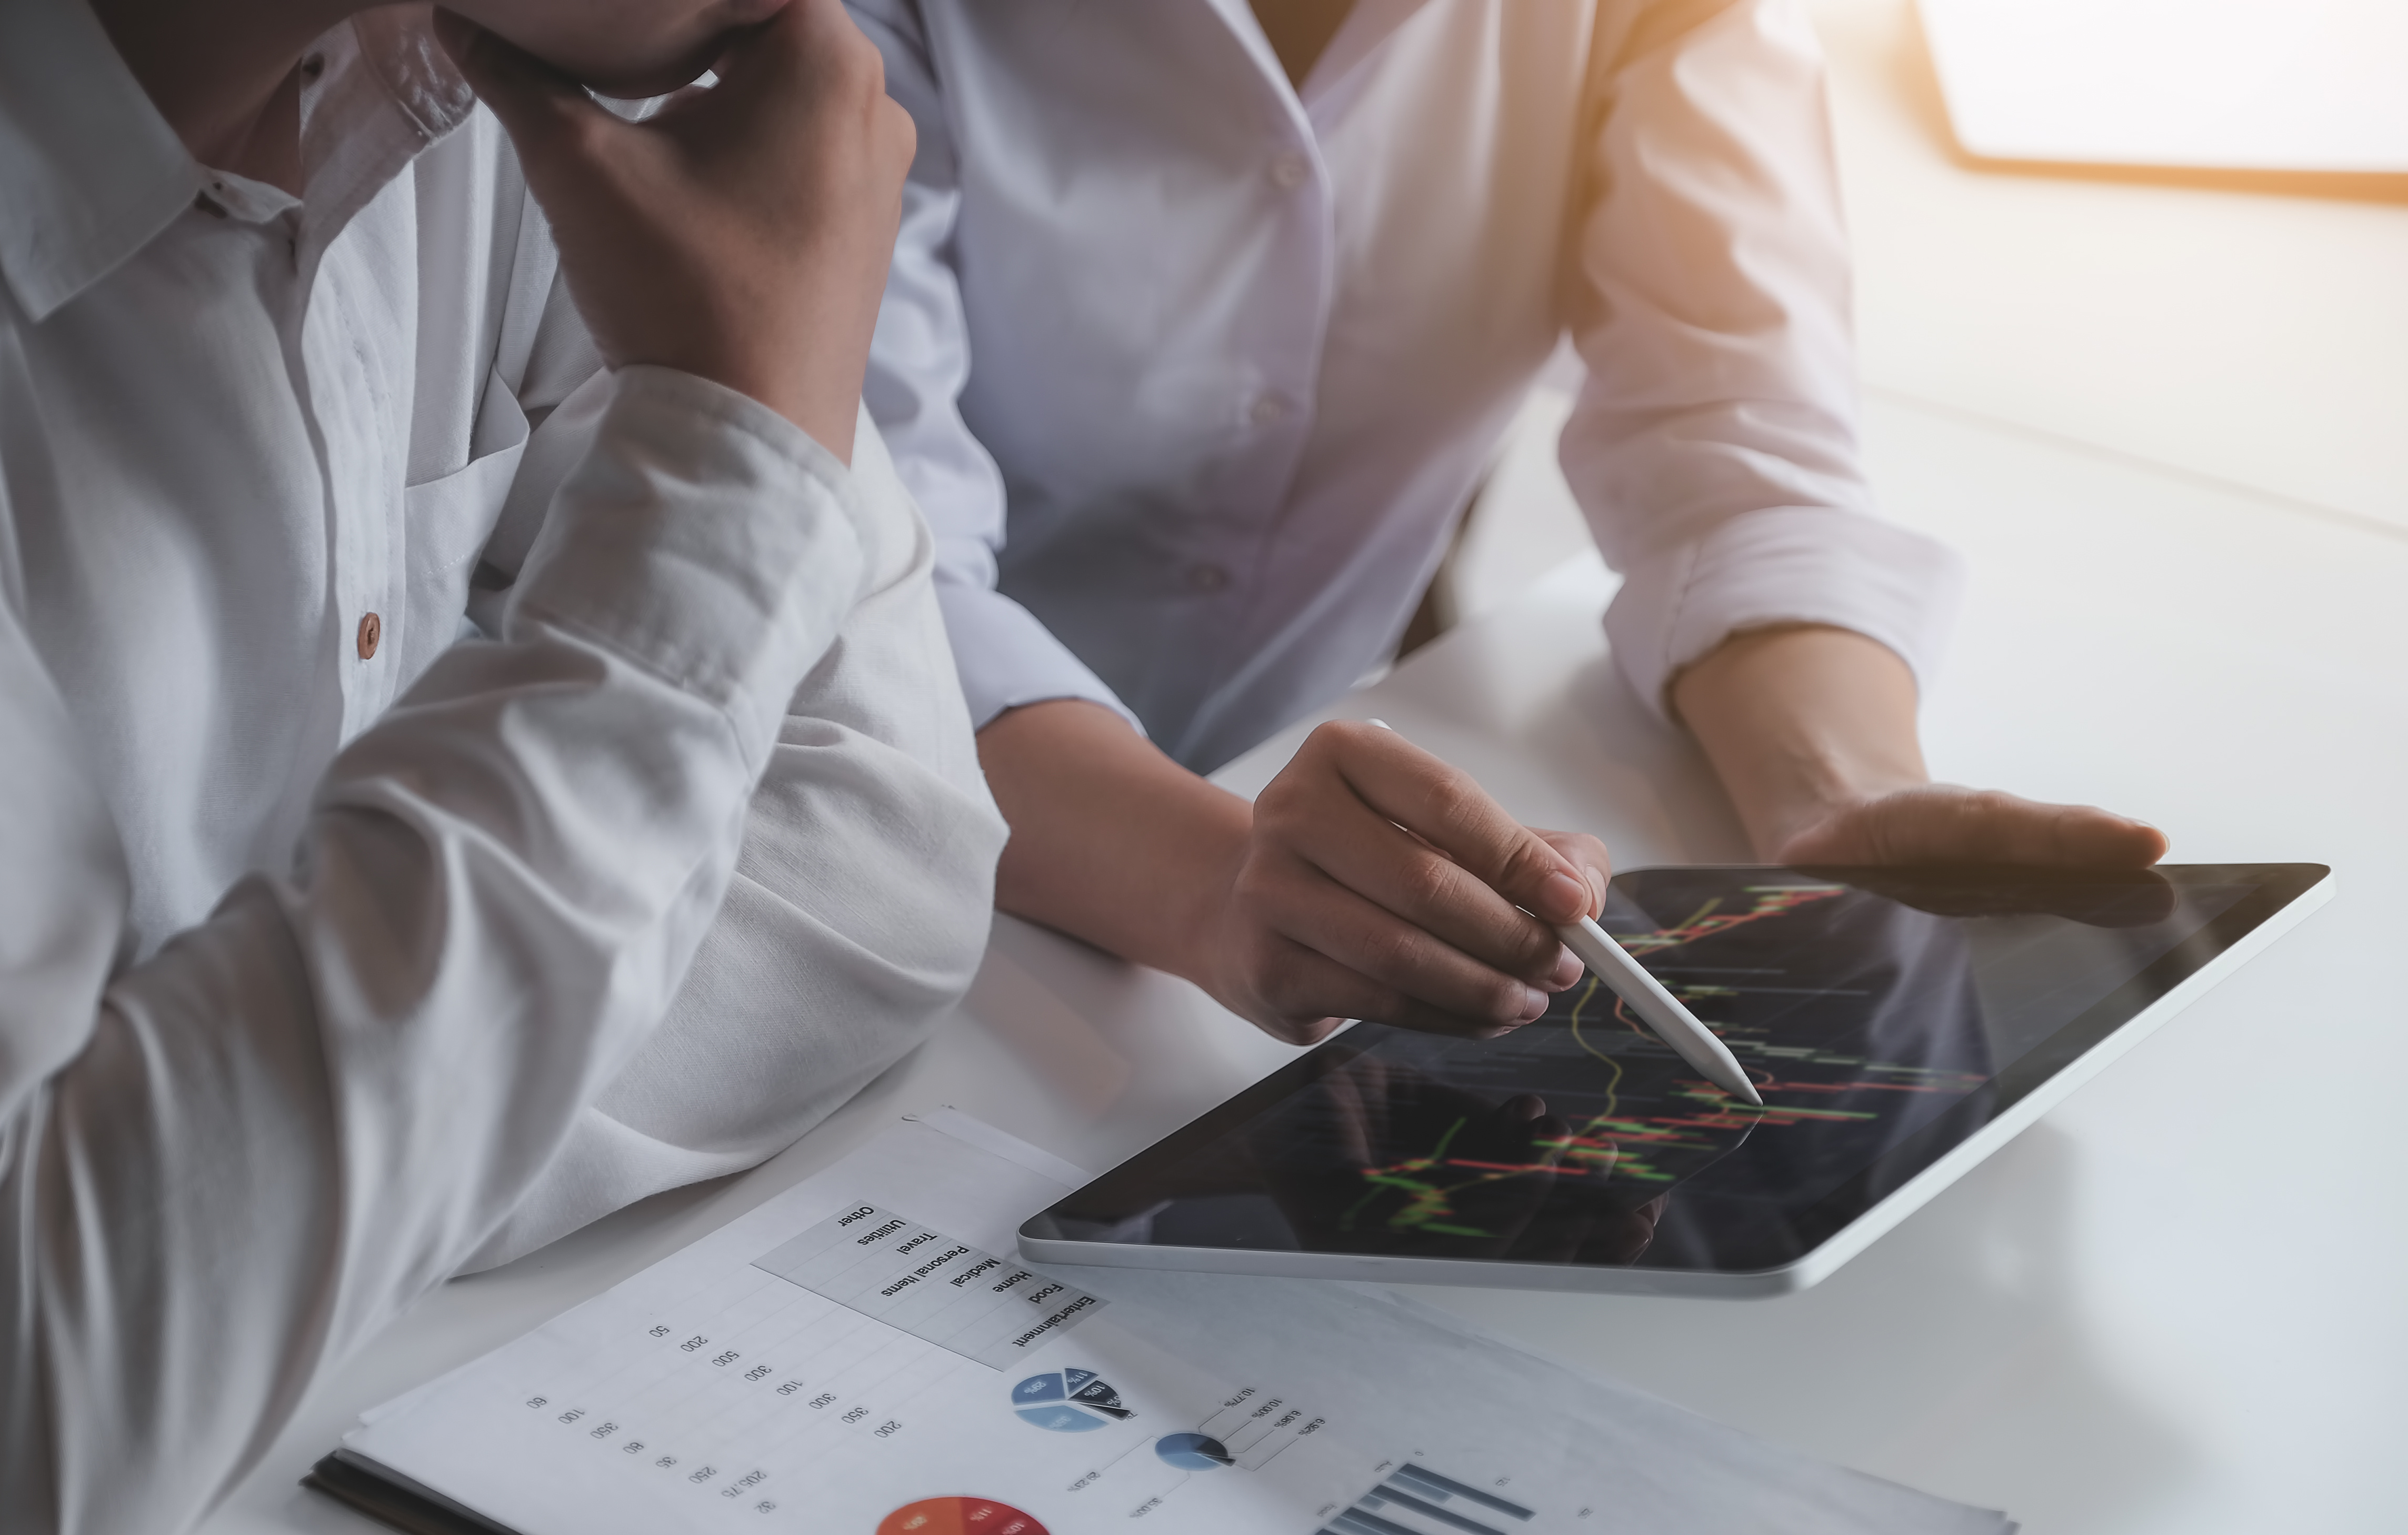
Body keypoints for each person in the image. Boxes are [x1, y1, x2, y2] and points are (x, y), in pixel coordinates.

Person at [0, 0, 1003, 1535]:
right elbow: (27, 1417)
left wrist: (242, 1218)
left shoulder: (494, 74)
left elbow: (894, 846)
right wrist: (733, 474)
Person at [843, 0, 2171, 1046]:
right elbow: (863, 579)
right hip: (826, 855)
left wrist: (1845, 788)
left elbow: (1730, 423)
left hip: (1248, 892)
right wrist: (1215, 881)